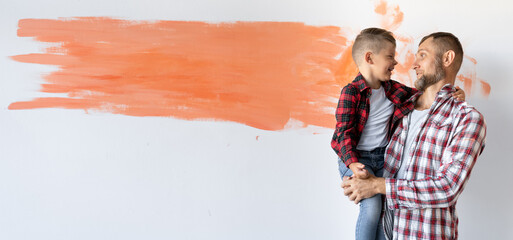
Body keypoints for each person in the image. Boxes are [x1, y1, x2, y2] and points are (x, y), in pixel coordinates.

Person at [341, 32, 486, 240]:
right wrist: (355, 178)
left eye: (422, 55)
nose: (413, 64)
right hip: (387, 233)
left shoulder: (466, 118)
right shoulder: (400, 108)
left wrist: (376, 185)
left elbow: (447, 187)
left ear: (447, 58)